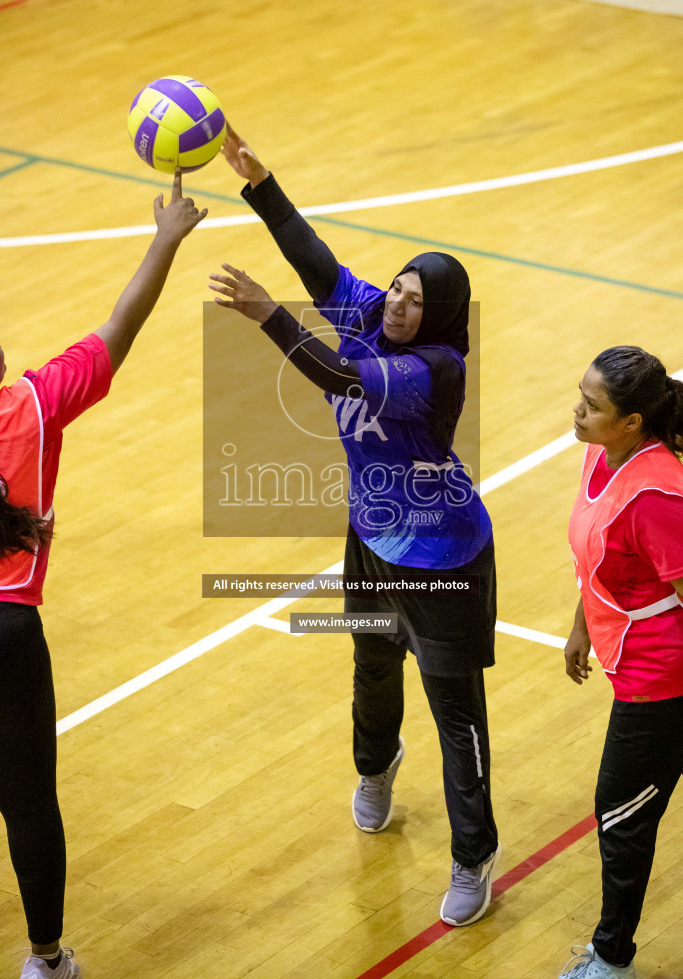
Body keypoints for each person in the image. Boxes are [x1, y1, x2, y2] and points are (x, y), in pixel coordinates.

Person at [209, 124, 500, 927]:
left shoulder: (432, 369)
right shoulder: (372, 312)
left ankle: (473, 855)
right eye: (398, 289)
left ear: (438, 316)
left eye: (415, 300)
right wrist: (260, 183)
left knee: (456, 713)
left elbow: (336, 373)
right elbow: (318, 263)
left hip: (442, 558)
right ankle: (374, 768)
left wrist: (271, 317)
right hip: (371, 538)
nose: (398, 303)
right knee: (370, 666)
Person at [0, 170, 207, 979]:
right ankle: (47, 959)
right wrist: (165, 238)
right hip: (12, 630)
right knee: (28, 801)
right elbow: (121, 325)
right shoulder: (35, 404)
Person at [561, 347, 683, 979]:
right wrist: (582, 623)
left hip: (663, 681)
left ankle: (611, 961)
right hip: (630, 660)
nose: (578, 411)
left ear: (633, 421)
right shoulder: (600, 453)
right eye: (581, 394)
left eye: (593, 405)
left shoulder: (660, 495)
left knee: (623, 819)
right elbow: (597, 553)